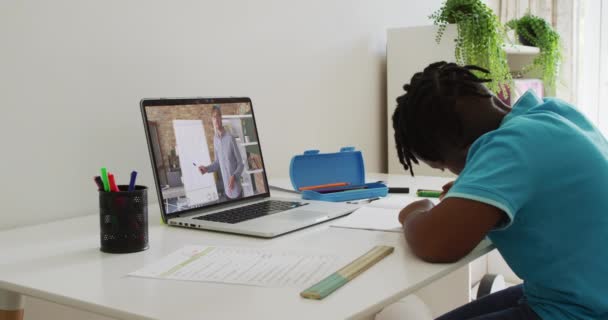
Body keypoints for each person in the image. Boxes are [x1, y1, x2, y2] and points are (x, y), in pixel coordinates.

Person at [390, 61, 608, 320]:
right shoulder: (553, 112)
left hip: (581, 311)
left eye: (445, 167)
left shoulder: (509, 147)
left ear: (451, 154)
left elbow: (434, 244)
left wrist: (416, 212)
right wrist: (472, 192)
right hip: (576, 293)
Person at [198, 105, 244, 199]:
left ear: (221, 118)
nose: (216, 119)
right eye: (214, 117)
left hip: (237, 192)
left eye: (218, 116)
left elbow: (240, 164)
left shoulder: (230, 138)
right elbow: (217, 163)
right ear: (212, 120)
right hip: (227, 192)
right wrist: (206, 169)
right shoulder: (215, 140)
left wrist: (234, 176)